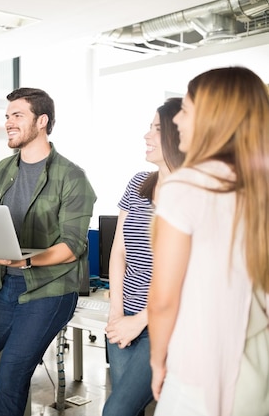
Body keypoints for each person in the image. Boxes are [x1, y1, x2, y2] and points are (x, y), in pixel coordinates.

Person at [0, 87, 97, 416]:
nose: (8, 122)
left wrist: (25, 259)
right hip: (6, 285)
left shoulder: (73, 178)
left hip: (50, 288)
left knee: (11, 376)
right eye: (6, 116)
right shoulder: (3, 170)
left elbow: (72, 246)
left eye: (17, 115)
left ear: (42, 121)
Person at [148, 67, 269, 416]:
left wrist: (158, 361)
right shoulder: (259, 185)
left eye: (185, 110)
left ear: (212, 117)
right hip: (256, 366)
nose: (178, 122)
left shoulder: (186, 186)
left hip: (200, 369)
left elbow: (164, 300)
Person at [103, 98, 184, 416]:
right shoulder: (139, 182)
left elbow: (191, 276)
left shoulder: (193, 193)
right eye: (149, 127)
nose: (147, 136)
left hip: (165, 322)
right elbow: (119, 251)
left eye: (157, 129)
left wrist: (138, 321)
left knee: (116, 411)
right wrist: (116, 312)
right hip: (124, 318)